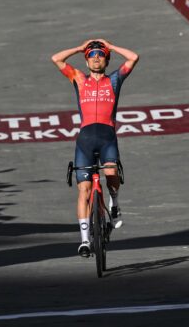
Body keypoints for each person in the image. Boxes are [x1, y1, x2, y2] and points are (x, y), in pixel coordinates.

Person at [51, 39, 139, 258]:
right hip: (85, 140)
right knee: (84, 190)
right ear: (87, 60)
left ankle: (115, 204)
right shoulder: (79, 79)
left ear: (106, 59)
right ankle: (84, 241)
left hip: (107, 137)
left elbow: (133, 57)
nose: (96, 57)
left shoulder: (115, 80)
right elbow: (57, 59)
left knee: (110, 174)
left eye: (101, 54)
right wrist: (80, 47)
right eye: (92, 55)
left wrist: (110, 44)